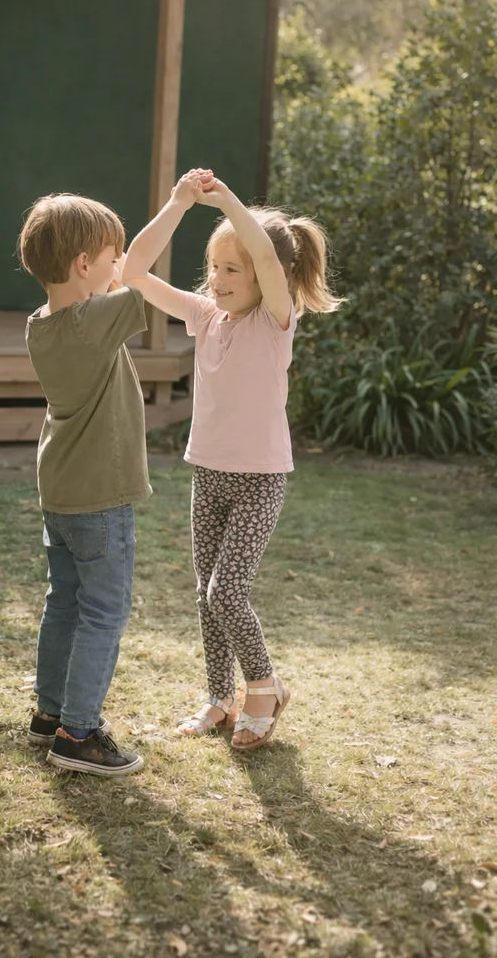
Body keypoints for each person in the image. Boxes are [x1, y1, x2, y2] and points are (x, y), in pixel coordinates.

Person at [122, 169, 342, 751]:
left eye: (231, 269)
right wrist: (175, 203)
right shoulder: (205, 316)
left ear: (267, 277)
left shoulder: (275, 323)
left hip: (260, 481)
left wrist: (227, 202)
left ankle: (265, 686)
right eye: (213, 267)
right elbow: (132, 273)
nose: (217, 281)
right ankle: (220, 698)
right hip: (210, 474)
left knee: (227, 592)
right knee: (205, 593)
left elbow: (269, 260)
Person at [18, 192, 152, 776]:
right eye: (110, 256)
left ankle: (49, 715)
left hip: (62, 493)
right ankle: (78, 733)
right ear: (82, 264)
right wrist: (174, 204)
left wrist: (115, 266)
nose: (118, 266)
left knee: (65, 604)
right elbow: (143, 275)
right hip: (100, 497)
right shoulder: (93, 321)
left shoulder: (41, 326)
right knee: (105, 610)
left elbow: (125, 274)